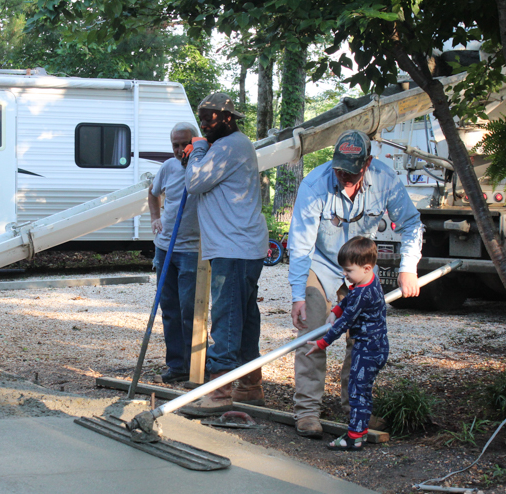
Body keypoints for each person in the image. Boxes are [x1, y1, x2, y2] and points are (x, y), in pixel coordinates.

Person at [288, 129, 423, 438]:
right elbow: (300, 246)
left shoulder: (385, 180)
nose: (344, 176)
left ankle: (355, 408)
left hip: (360, 269)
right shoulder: (314, 185)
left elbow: (411, 223)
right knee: (312, 328)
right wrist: (298, 295)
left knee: (360, 336)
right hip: (320, 264)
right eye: (339, 169)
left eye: (351, 170)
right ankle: (308, 411)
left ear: (368, 163)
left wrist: (408, 268)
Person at [179, 93, 269, 416]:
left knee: (228, 318)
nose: (204, 124)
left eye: (210, 119)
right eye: (201, 118)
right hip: (241, 247)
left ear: (228, 119)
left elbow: (194, 182)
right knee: (244, 320)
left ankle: (219, 393)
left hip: (235, 248)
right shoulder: (233, 146)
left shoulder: (229, 146)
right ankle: (250, 385)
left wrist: (198, 148)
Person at [303, 237, 388, 450]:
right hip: (375, 345)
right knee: (360, 389)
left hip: (368, 348)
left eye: (349, 271)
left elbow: (344, 324)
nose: (345, 275)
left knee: (357, 391)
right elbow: (348, 301)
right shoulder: (369, 282)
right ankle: (358, 431)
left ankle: (354, 437)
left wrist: (323, 343)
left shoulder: (362, 294)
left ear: (367, 268)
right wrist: (336, 310)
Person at [148, 122, 200, 383]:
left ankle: (195, 366)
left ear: (196, 141)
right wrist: (155, 217)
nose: (180, 150)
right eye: (175, 145)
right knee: (169, 308)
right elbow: (153, 193)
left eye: (184, 144)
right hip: (165, 247)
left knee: (190, 311)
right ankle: (176, 365)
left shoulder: (202, 167)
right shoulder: (168, 167)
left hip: (192, 250)